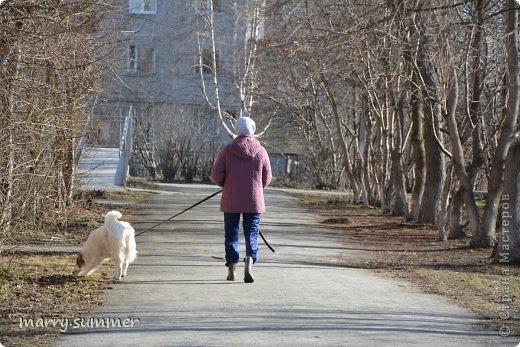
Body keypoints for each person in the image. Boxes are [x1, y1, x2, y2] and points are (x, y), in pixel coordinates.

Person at [210, 116, 272, 283]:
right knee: (251, 233)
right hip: (254, 201)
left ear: (237, 129)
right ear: (253, 129)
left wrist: (226, 184)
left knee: (231, 234)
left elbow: (215, 175)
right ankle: (250, 260)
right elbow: (267, 177)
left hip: (231, 199)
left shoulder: (228, 150)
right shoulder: (261, 151)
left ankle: (231, 267)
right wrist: (258, 188)